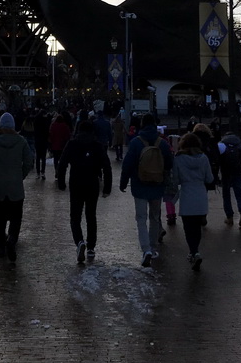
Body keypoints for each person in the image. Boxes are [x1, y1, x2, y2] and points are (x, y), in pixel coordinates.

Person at [119, 113, 174, 267]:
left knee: (141, 218)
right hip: (157, 185)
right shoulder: (162, 143)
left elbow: (127, 164)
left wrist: (123, 182)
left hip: (139, 185)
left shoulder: (136, 142)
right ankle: (153, 246)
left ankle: (146, 249)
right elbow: (169, 163)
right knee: (155, 217)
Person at [0, 112, 33, 266]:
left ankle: (1, 247)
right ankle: (12, 240)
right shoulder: (21, 141)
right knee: (16, 218)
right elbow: (29, 161)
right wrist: (20, 176)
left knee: (0, 218)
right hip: (16, 188)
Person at [56, 118, 112, 263]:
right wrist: (107, 188)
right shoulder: (97, 145)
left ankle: (79, 241)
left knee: (75, 216)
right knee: (91, 216)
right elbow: (106, 166)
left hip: (76, 183)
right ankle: (91, 247)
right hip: (92, 184)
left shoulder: (73, 144)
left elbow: (62, 164)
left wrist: (61, 183)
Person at [173, 132, 216, 270]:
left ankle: (193, 252)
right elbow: (209, 178)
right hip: (200, 195)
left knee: (188, 228)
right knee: (197, 228)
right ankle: (195, 251)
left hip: (187, 195)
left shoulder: (178, 159)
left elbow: (176, 180)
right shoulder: (203, 158)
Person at [217, 131, 241, 226]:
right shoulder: (240, 145)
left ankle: (229, 217)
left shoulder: (221, 145)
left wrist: (216, 175)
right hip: (238, 172)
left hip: (225, 173)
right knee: (239, 194)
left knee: (226, 195)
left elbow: (216, 160)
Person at [47, 114, 72, 181]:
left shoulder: (53, 126)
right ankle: (61, 171)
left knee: (55, 159)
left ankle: (56, 170)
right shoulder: (65, 126)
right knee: (62, 160)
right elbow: (68, 136)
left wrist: (50, 144)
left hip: (55, 145)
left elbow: (51, 135)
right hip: (63, 146)